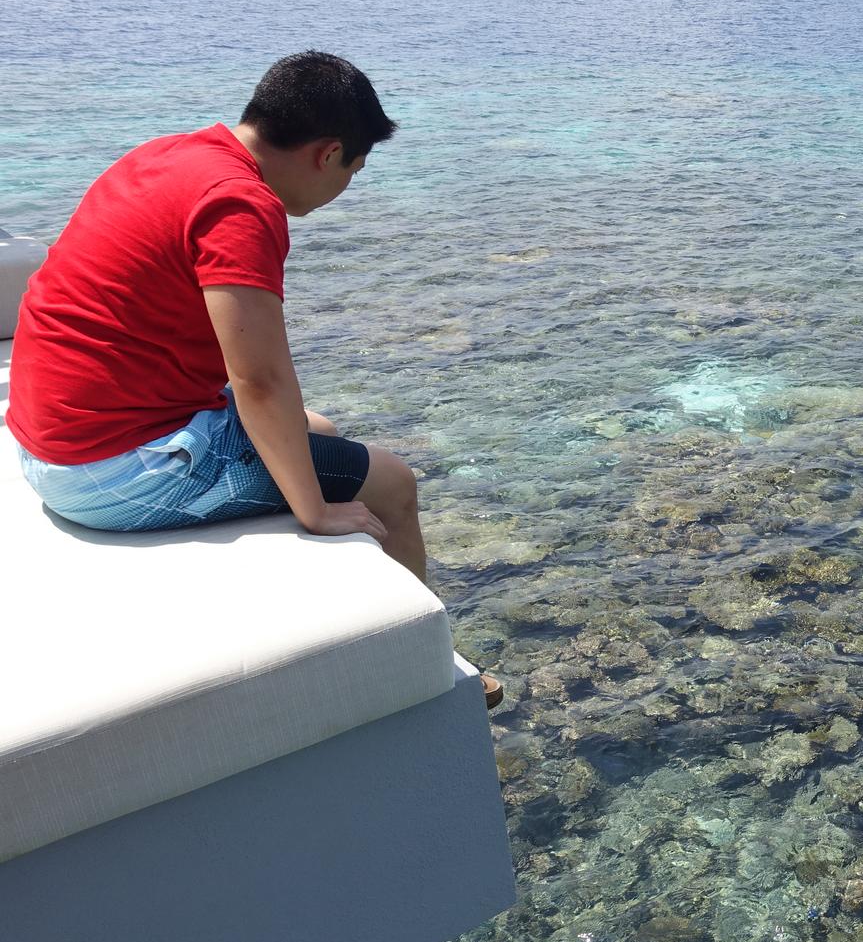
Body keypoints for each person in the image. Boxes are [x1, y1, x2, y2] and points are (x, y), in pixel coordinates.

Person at [4, 51, 503, 708]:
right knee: (391, 485)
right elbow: (260, 379)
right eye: (354, 168)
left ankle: (366, 611)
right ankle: (431, 679)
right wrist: (314, 511)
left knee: (315, 433)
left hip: (48, 442)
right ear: (327, 154)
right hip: (114, 469)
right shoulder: (241, 205)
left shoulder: (169, 156)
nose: (347, 185)